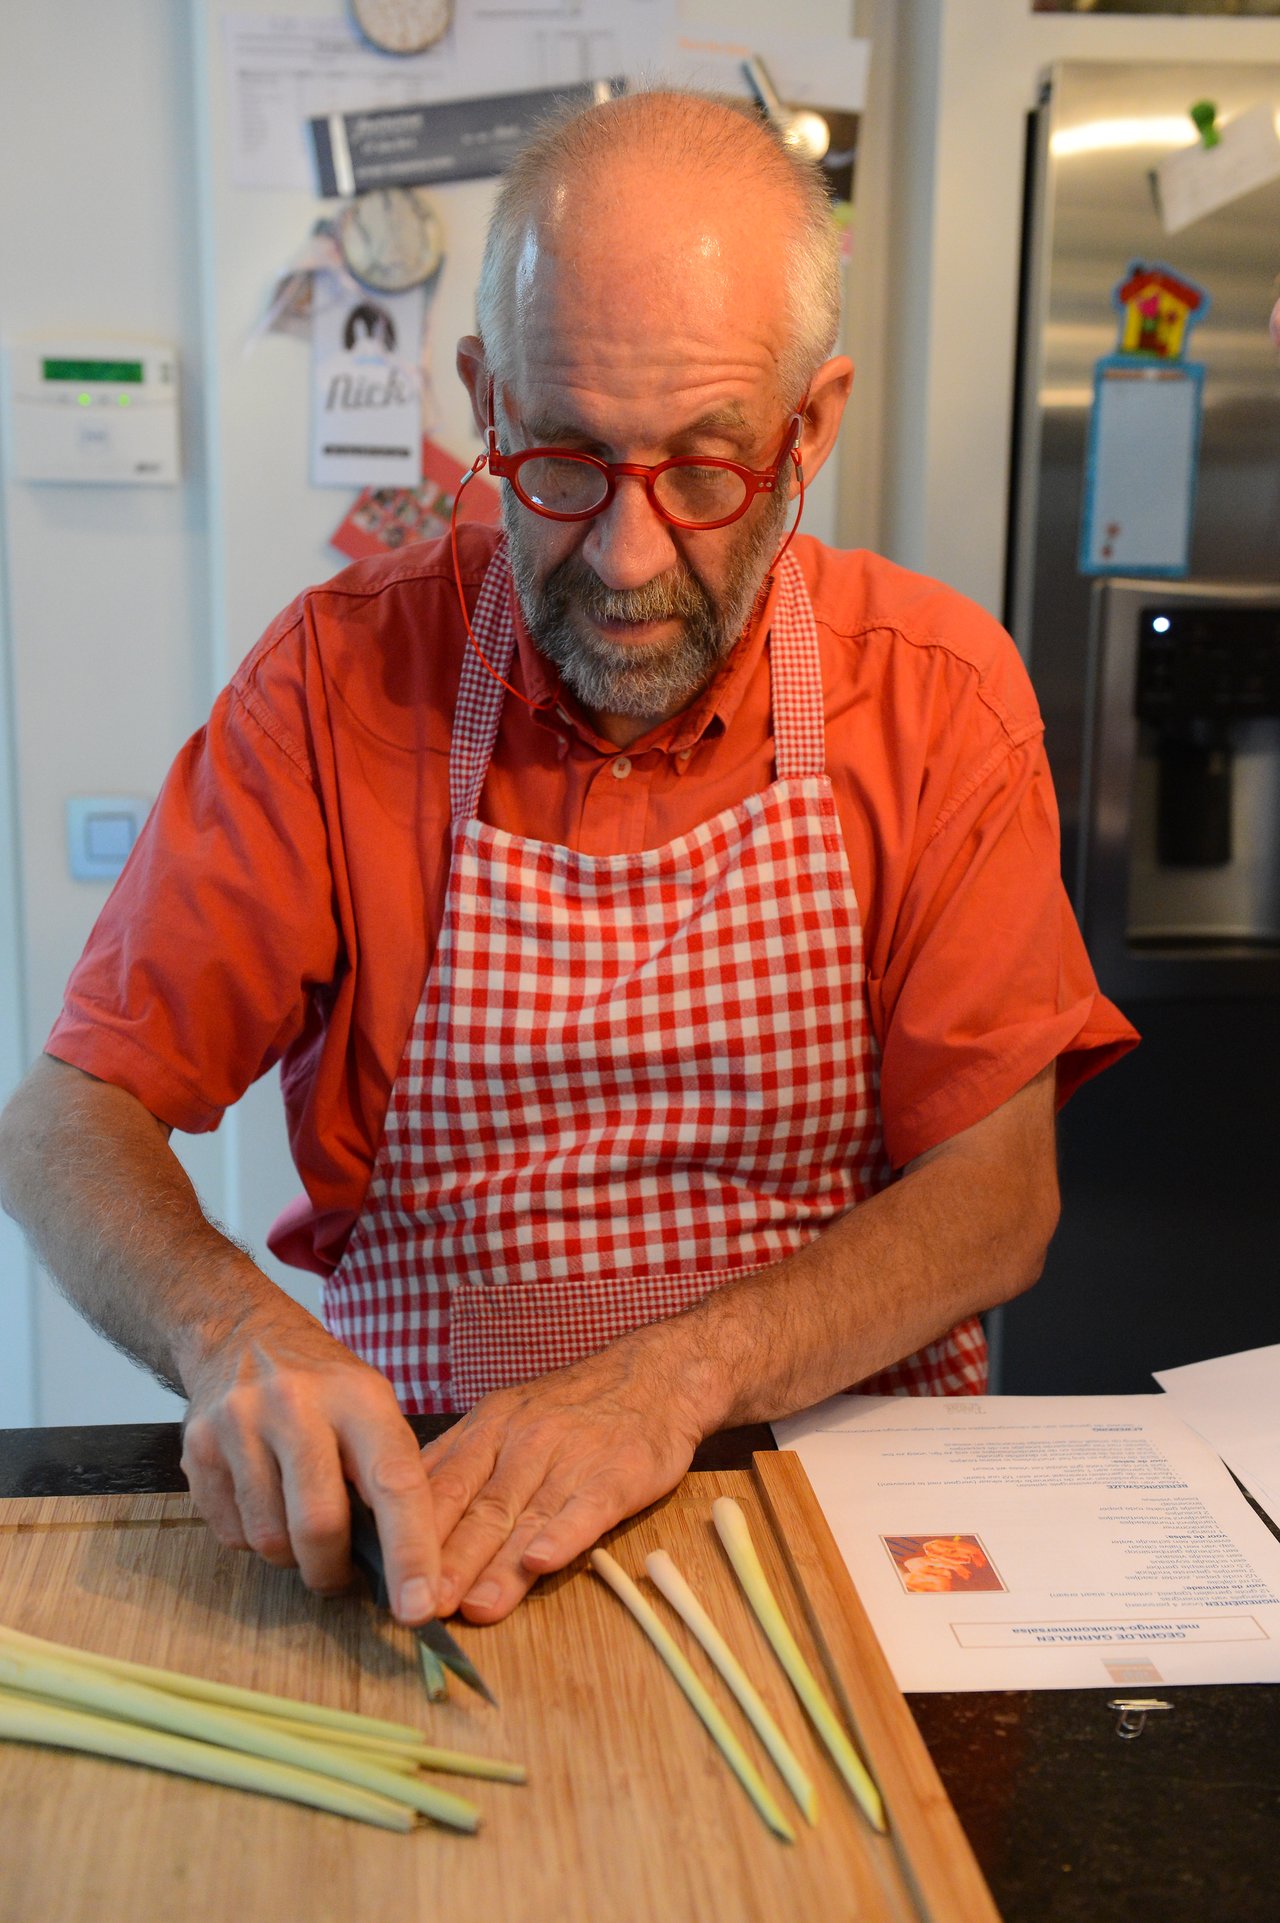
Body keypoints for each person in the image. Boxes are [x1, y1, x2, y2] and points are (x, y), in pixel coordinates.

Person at [0, 89, 1135, 1634]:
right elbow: (67, 1120)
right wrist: (227, 1333)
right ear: (484, 398)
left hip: (854, 1514)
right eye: (563, 462)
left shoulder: (934, 693)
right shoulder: (340, 688)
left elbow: (998, 1198)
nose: (628, 558)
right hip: (436, 1529)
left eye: (707, 472)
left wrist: (668, 1384)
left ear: (812, 424)